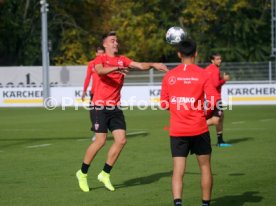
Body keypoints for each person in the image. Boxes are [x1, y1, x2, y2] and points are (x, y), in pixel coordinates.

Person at [76, 31, 168, 192]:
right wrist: (117, 68)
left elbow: (139, 65)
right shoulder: (100, 59)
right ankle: (82, 173)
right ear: (105, 44)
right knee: (100, 141)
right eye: (112, 40)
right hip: (99, 106)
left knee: (121, 140)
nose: (116, 43)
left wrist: (154, 64)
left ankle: (105, 174)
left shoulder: (123, 59)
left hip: (115, 107)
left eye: (116, 40)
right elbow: (100, 70)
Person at [160, 39, 220, 206]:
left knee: (178, 170)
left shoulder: (169, 76)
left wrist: (179, 108)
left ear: (179, 54)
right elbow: (214, 99)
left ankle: (178, 203)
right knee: (205, 168)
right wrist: (205, 114)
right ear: (196, 53)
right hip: (199, 129)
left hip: (178, 131)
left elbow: (164, 103)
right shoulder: (203, 74)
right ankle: (205, 204)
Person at [205, 53, 231, 147]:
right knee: (216, 120)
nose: (219, 60)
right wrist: (224, 79)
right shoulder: (215, 70)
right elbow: (216, 84)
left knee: (221, 117)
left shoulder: (207, 69)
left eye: (220, 59)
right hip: (215, 98)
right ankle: (196, 126)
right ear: (212, 60)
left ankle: (220, 141)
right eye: (217, 59)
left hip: (209, 97)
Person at [81, 46, 105, 141]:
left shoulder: (106, 64)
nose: (100, 55)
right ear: (96, 54)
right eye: (99, 53)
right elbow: (87, 78)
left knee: (104, 112)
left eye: (102, 53)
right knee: (93, 113)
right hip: (94, 93)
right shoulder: (91, 64)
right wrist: (84, 91)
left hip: (104, 93)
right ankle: (96, 132)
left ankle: (102, 131)